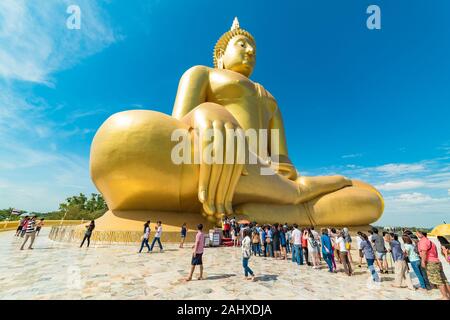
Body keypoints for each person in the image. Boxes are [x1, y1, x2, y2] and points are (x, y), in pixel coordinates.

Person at [417, 230, 450, 300]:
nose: (416, 234)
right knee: (444, 280)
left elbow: (424, 252)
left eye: (417, 233)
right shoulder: (430, 241)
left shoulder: (423, 241)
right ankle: (448, 295)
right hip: (436, 261)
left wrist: (423, 262)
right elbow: (435, 253)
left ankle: (445, 297)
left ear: (421, 233)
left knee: (438, 281)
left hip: (431, 262)